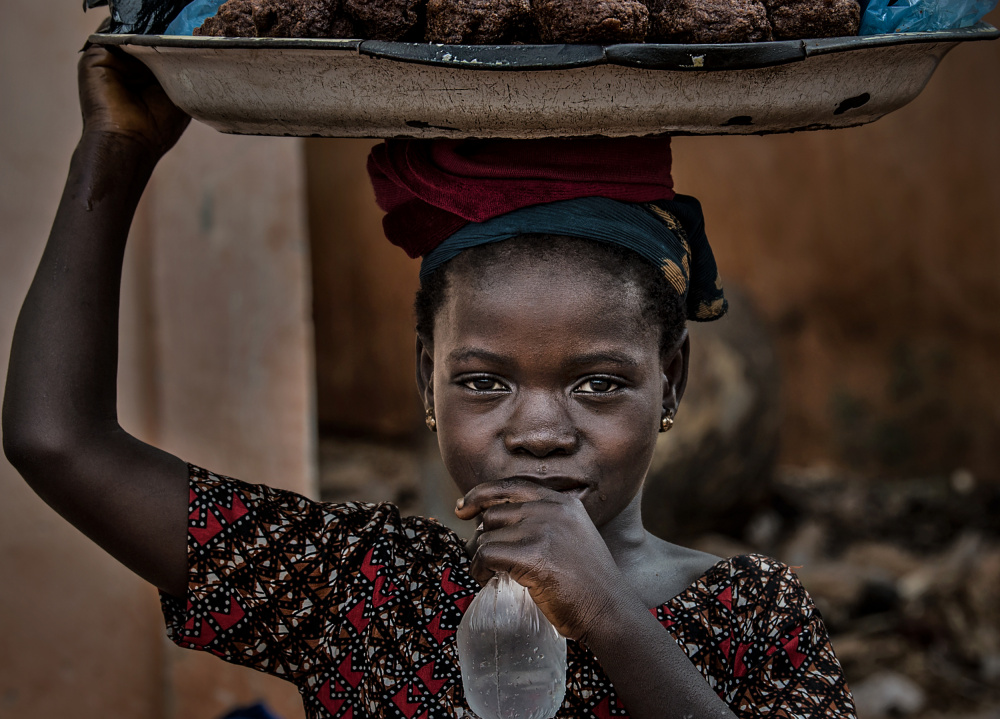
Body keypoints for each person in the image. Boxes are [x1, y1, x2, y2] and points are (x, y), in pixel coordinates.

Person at [2, 45, 856, 719]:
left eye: (598, 385)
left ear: (671, 382)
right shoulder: (362, 591)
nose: (538, 430)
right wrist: (110, 157)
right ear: (426, 377)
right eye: (484, 382)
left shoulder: (749, 615)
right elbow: (57, 439)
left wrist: (608, 613)